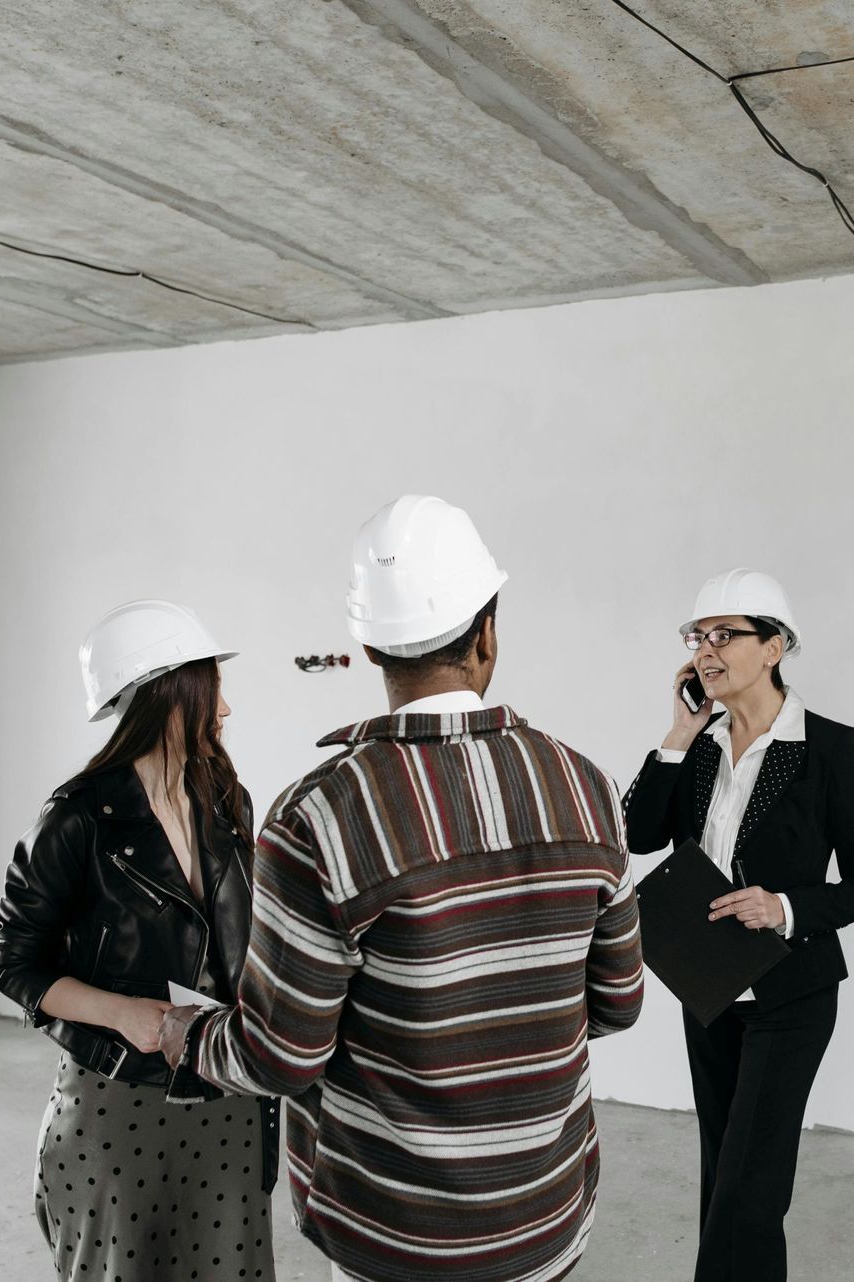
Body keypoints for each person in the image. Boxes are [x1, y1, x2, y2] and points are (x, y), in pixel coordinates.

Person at [157, 494, 644, 1282]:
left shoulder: (320, 817)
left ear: (369, 644)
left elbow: (281, 1058)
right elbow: (619, 1003)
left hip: (394, 1235)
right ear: (487, 634)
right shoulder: (587, 788)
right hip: (547, 1215)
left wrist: (186, 1035)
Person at [0, 599, 278, 1281]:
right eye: (213, 690)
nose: (226, 710)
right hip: (119, 1104)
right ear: (169, 694)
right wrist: (123, 1014)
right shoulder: (77, 818)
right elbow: (13, 963)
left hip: (224, 1090)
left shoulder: (228, 800)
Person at [623, 568, 854, 1282]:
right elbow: (639, 834)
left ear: (774, 647)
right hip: (708, 985)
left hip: (789, 993)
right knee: (725, 1176)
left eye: (725, 636)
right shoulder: (699, 745)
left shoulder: (829, 749)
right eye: (697, 637)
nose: (706, 651)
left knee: (751, 1190)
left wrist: (786, 907)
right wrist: (678, 736)